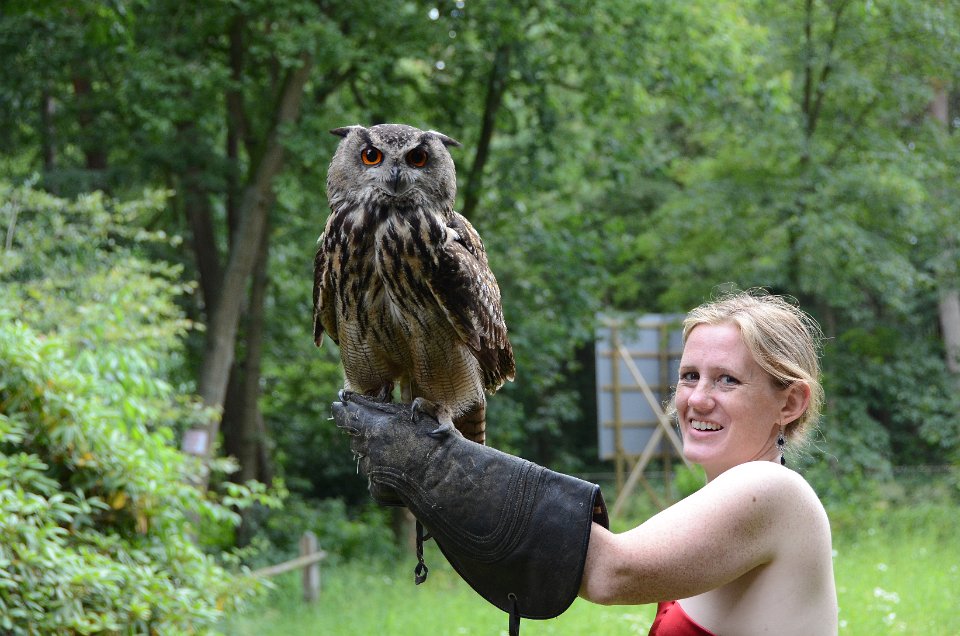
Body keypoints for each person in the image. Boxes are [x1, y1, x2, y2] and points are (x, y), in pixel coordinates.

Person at [332, 290, 838, 636]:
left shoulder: (774, 492)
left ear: (790, 403)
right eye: (689, 376)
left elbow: (611, 573)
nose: (698, 399)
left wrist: (437, 465)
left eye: (727, 380)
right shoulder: (722, 503)